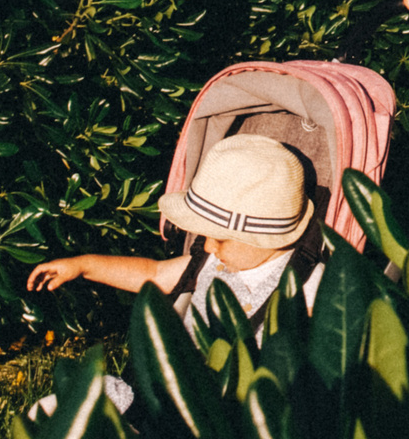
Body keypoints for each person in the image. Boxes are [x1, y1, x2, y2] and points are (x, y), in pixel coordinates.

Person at [27, 133, 321, 326]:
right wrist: (83, 265)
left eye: (219, 239)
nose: (206, 247)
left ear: (265, 239)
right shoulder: (212, 262)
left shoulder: (305, 282)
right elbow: (152, 274)